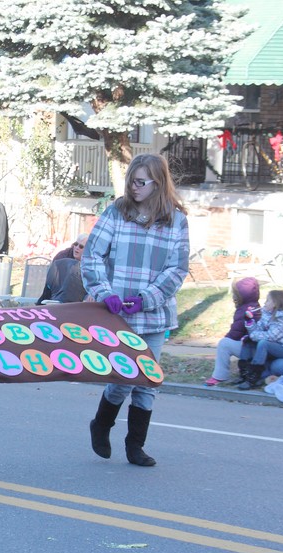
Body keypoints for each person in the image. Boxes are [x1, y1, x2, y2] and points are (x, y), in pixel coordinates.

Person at [82, 154, 190, 467]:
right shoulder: (116, 212)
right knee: (124, 378)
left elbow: (177, 269)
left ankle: (135, 446)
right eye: (131, 180)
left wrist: (147, 298)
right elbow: (92, 257)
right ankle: (101, 424)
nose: (134, 187)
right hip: (118, 314)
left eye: (141, 182)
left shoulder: (176, 220)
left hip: (153, 314)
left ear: (159, 183)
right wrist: (104, 293)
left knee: (148, 380)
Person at [237, 289, 283, 390]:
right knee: (248, 341)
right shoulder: (267, 314)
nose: (264, 303)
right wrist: (249, 321)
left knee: (264, 343)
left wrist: (253, 336)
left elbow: (270, 336)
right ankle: (244, 374)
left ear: (275, 303)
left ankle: (254, 377)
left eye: (267, 300)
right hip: (276, 344)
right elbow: (257, 330)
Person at [203, 276, 260, 387]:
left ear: (242, 296)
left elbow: (235, 334)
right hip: (256, 346)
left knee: (224, 344)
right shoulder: (255, 306)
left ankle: (220, 376)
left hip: (251, 348)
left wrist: (227, 337)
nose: (233, 296)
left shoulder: (243, 311)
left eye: (236, 294)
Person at [37, 235, 87, 304]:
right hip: (56, 300)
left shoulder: (91, 263)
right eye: (75, 244)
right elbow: (50, 285)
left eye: (81, 246)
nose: (77, 248)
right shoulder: (62, 258)